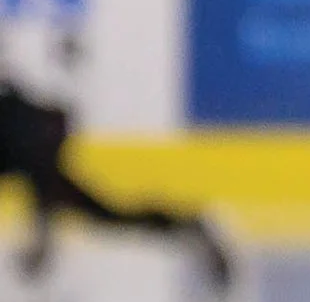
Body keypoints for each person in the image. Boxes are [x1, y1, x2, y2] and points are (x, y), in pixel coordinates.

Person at [0, 78, 230, 288]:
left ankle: (187, 225)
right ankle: (186, 226)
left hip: (34, 137)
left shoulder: (20, 130)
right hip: (34, 138)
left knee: (100, 212)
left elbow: (38, 166)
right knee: (100, 213)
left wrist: (42, 234)